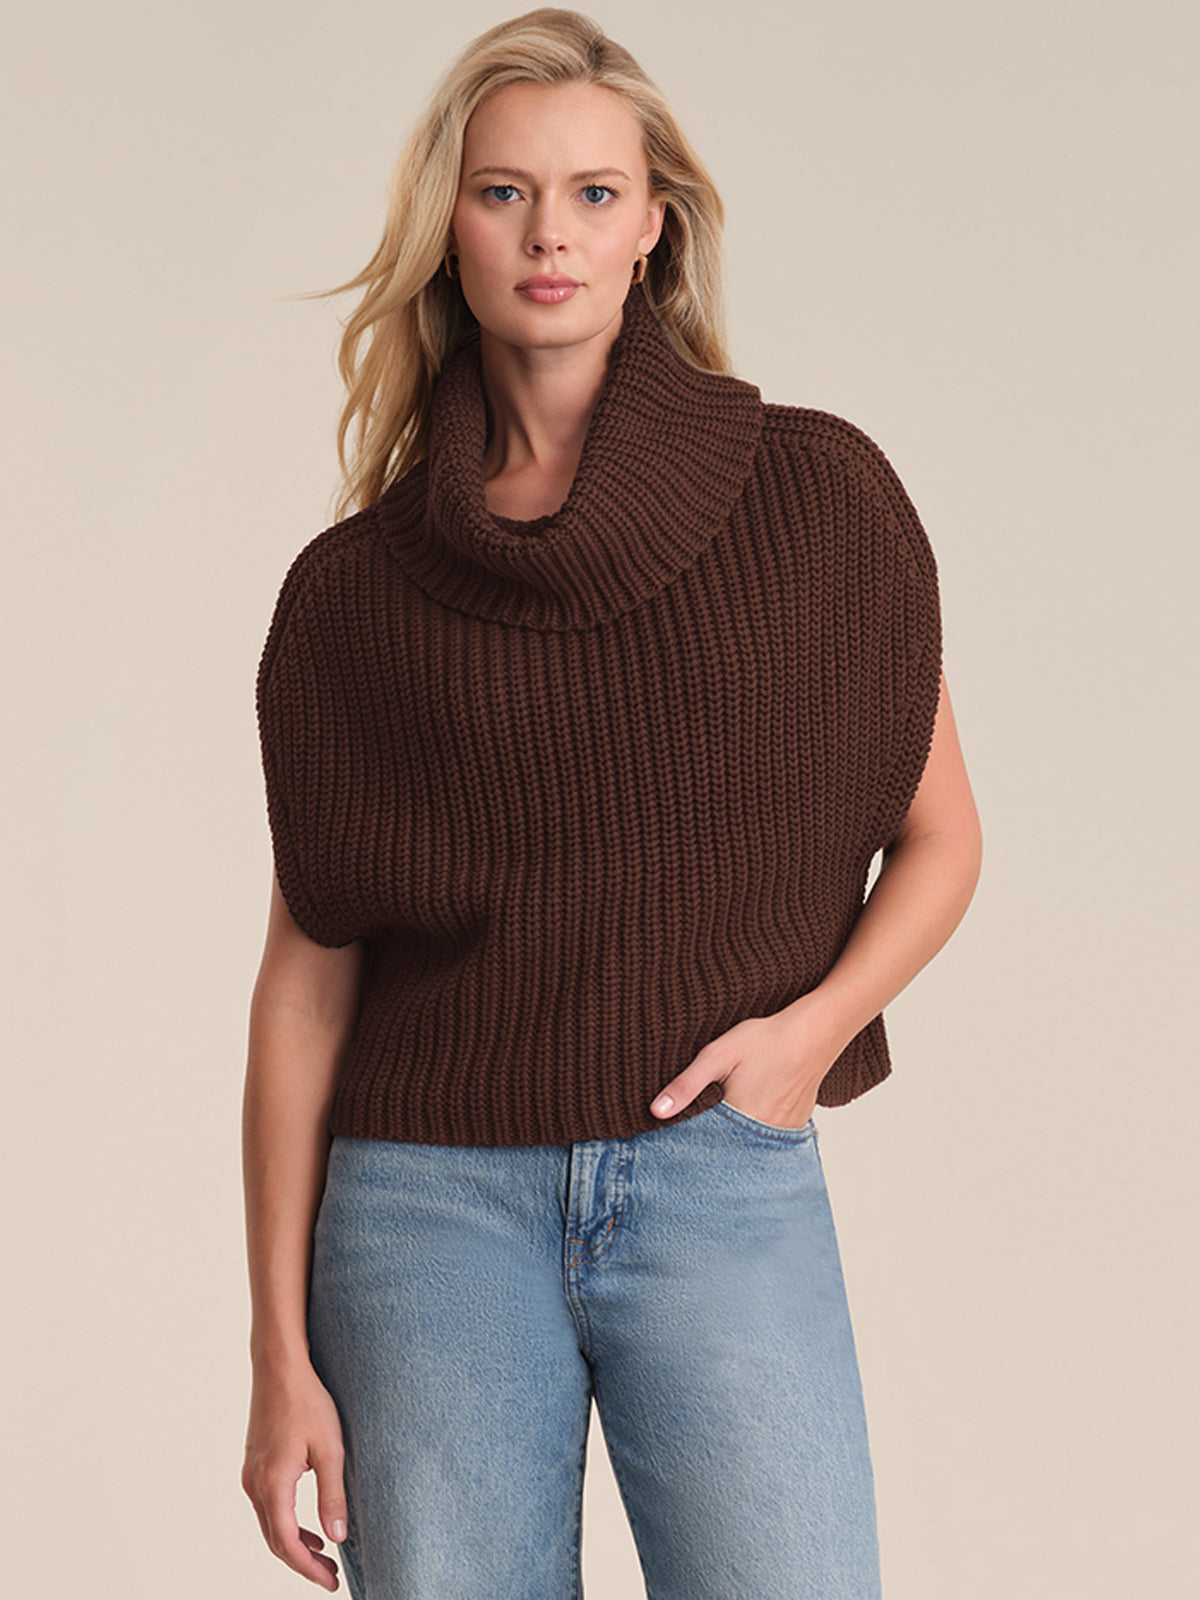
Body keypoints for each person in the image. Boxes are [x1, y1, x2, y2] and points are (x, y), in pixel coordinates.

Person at [240, 9, 983, 1598]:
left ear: (655, 224)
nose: (548, 235)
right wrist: (276, 1356)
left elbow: (941, 836)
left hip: (718, 1172)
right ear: (448, 225)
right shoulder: (354, 596)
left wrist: (806, 1040)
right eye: (503, 192)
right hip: (424, 1209)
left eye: (591, 193)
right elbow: (305, 987)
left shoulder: (818, 499)